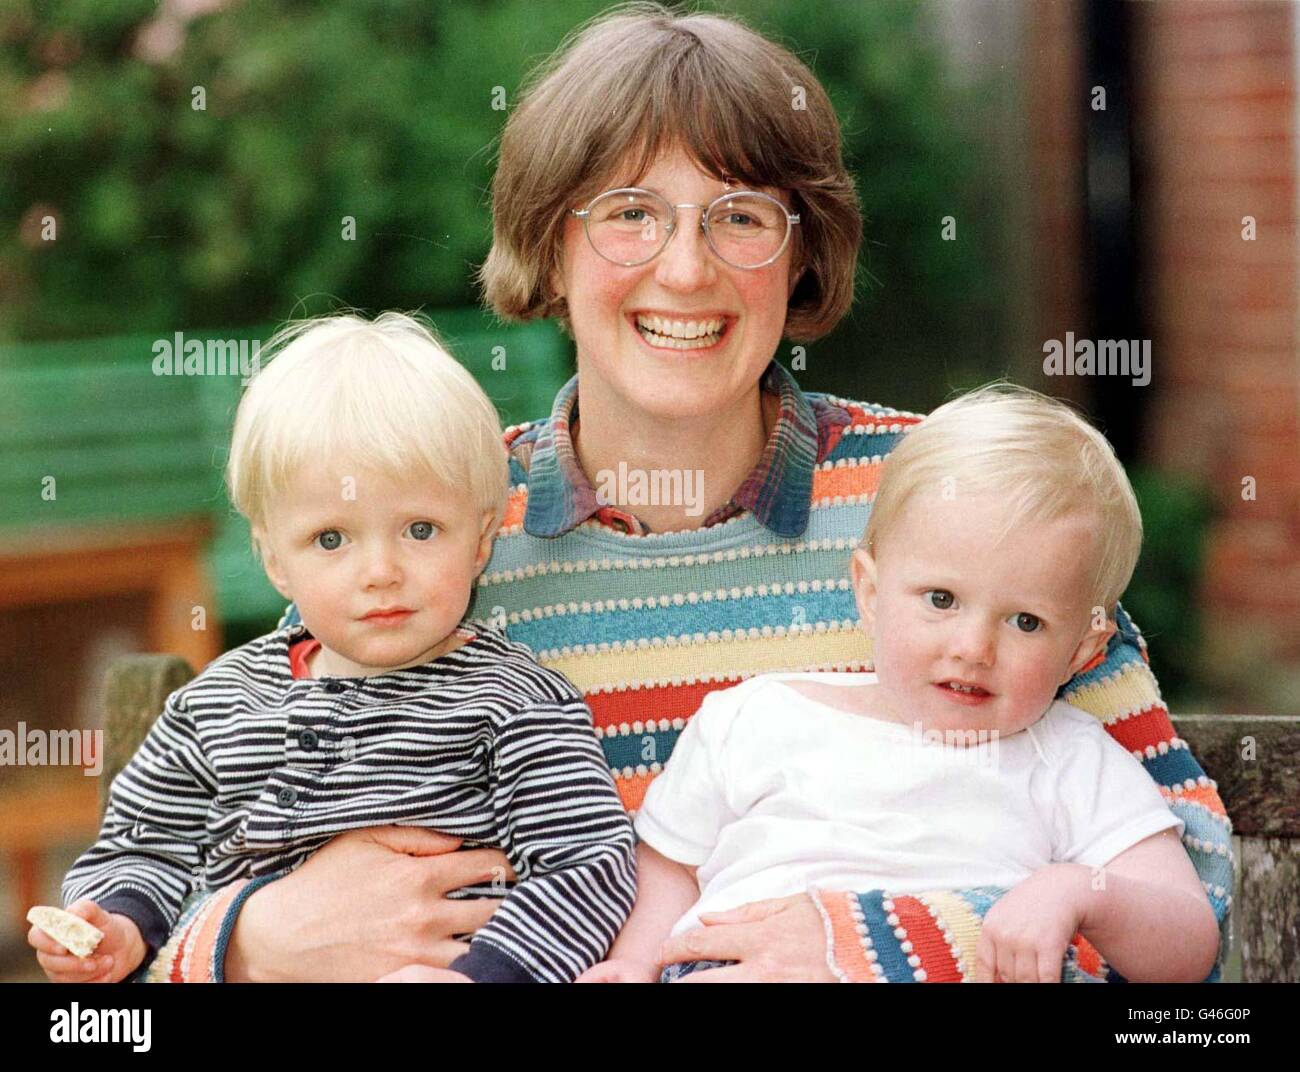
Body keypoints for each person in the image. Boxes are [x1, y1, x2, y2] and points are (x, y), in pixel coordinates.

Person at [82, 3, 1229, 983]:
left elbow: (1187, 878)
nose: (686, 268)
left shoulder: (953, 501)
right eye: (629, 211)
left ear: (801, 254)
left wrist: (894, 939)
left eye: (740, 215)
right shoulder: (432, 522)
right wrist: (250, 945)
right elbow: (181, 861)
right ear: (550, 245)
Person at [29, 313, 635, 984]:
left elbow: (588, 866)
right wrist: (116, 925)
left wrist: (487, 975)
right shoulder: (215, 708)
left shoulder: (515, 703)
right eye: (330, 539)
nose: (380, 570)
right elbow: (144, 848)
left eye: (421, 529)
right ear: (274, 559)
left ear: (482, 536)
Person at [578, 385, 1221, 983]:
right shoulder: (754, 717)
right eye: (941, 598)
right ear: (871, 591)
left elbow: (1190, 944)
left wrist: (1081, 892)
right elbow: (669, 870)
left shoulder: (1070, 758)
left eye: (1025, 621)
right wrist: (634, 963)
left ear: (1083, 648)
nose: (973, 648)